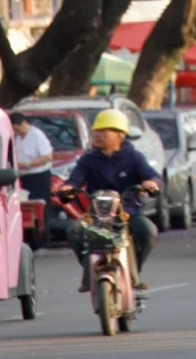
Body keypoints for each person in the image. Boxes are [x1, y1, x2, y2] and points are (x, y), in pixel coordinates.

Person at [63, 109, 160, 290]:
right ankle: (90, 269)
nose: (97, 136)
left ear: (120, 135)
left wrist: (151, 183)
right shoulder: (88, 160)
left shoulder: (135, 158)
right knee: (73, 230)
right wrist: (68, 187)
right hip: (96, 215)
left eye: (104, 132)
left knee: (149, 231)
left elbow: (152, 176)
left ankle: (134, 269)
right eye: (96, 131)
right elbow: (75, 180)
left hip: (128, 214)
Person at [10, 112, 54, 208]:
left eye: (18, 129)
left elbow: (48, 157)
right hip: (25, 177)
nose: (17, 132)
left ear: (24, 123)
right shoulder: (18, 138)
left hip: (39, 177)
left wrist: (28, 165)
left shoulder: (36, 135)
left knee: (40, 207)